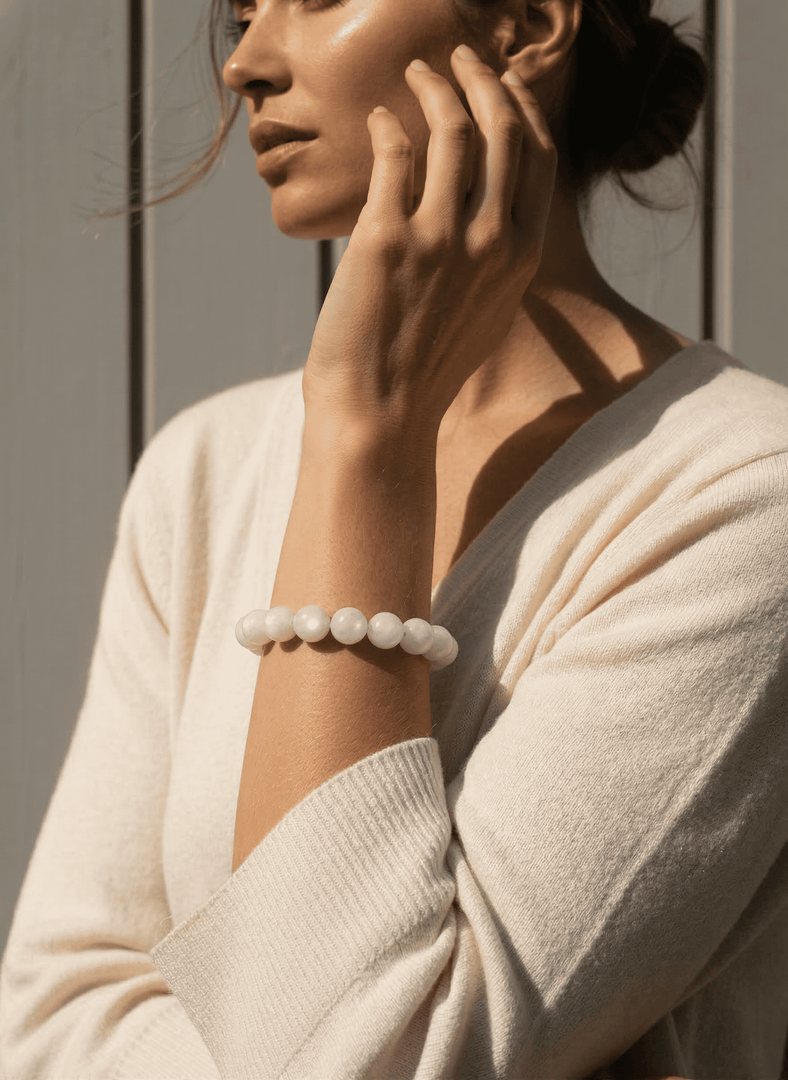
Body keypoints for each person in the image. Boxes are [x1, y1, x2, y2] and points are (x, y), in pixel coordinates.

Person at [1, 0, 787, 1077]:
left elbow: (376, 1059)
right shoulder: (205, 472)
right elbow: (51, 1024)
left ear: (526, 25)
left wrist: (366, 434)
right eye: (241, 15)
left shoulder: (739, 497)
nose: (244, 63)